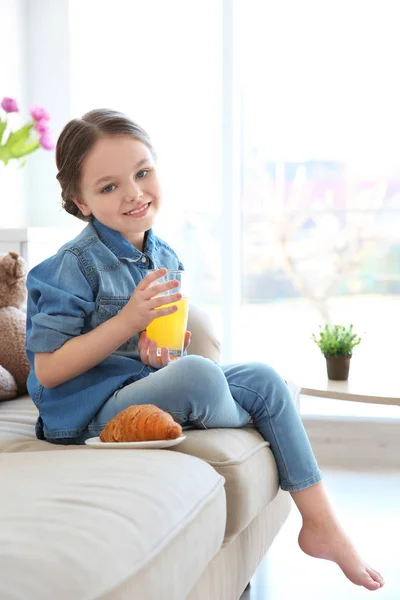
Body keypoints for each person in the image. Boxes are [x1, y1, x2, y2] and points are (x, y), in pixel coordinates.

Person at [26, 109, 384, 591]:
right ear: (80, 201)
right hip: (84, 414)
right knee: (201, 376)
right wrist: (127, 323)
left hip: (136, 387)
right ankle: (244, 409)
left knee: (264, 377)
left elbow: (154, 357)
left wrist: (160, 358)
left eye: (143, 172)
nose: (133, 192)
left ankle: (323, 524)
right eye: (109, 187)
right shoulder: (69, 267)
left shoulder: (165, 255)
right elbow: (49, 371)